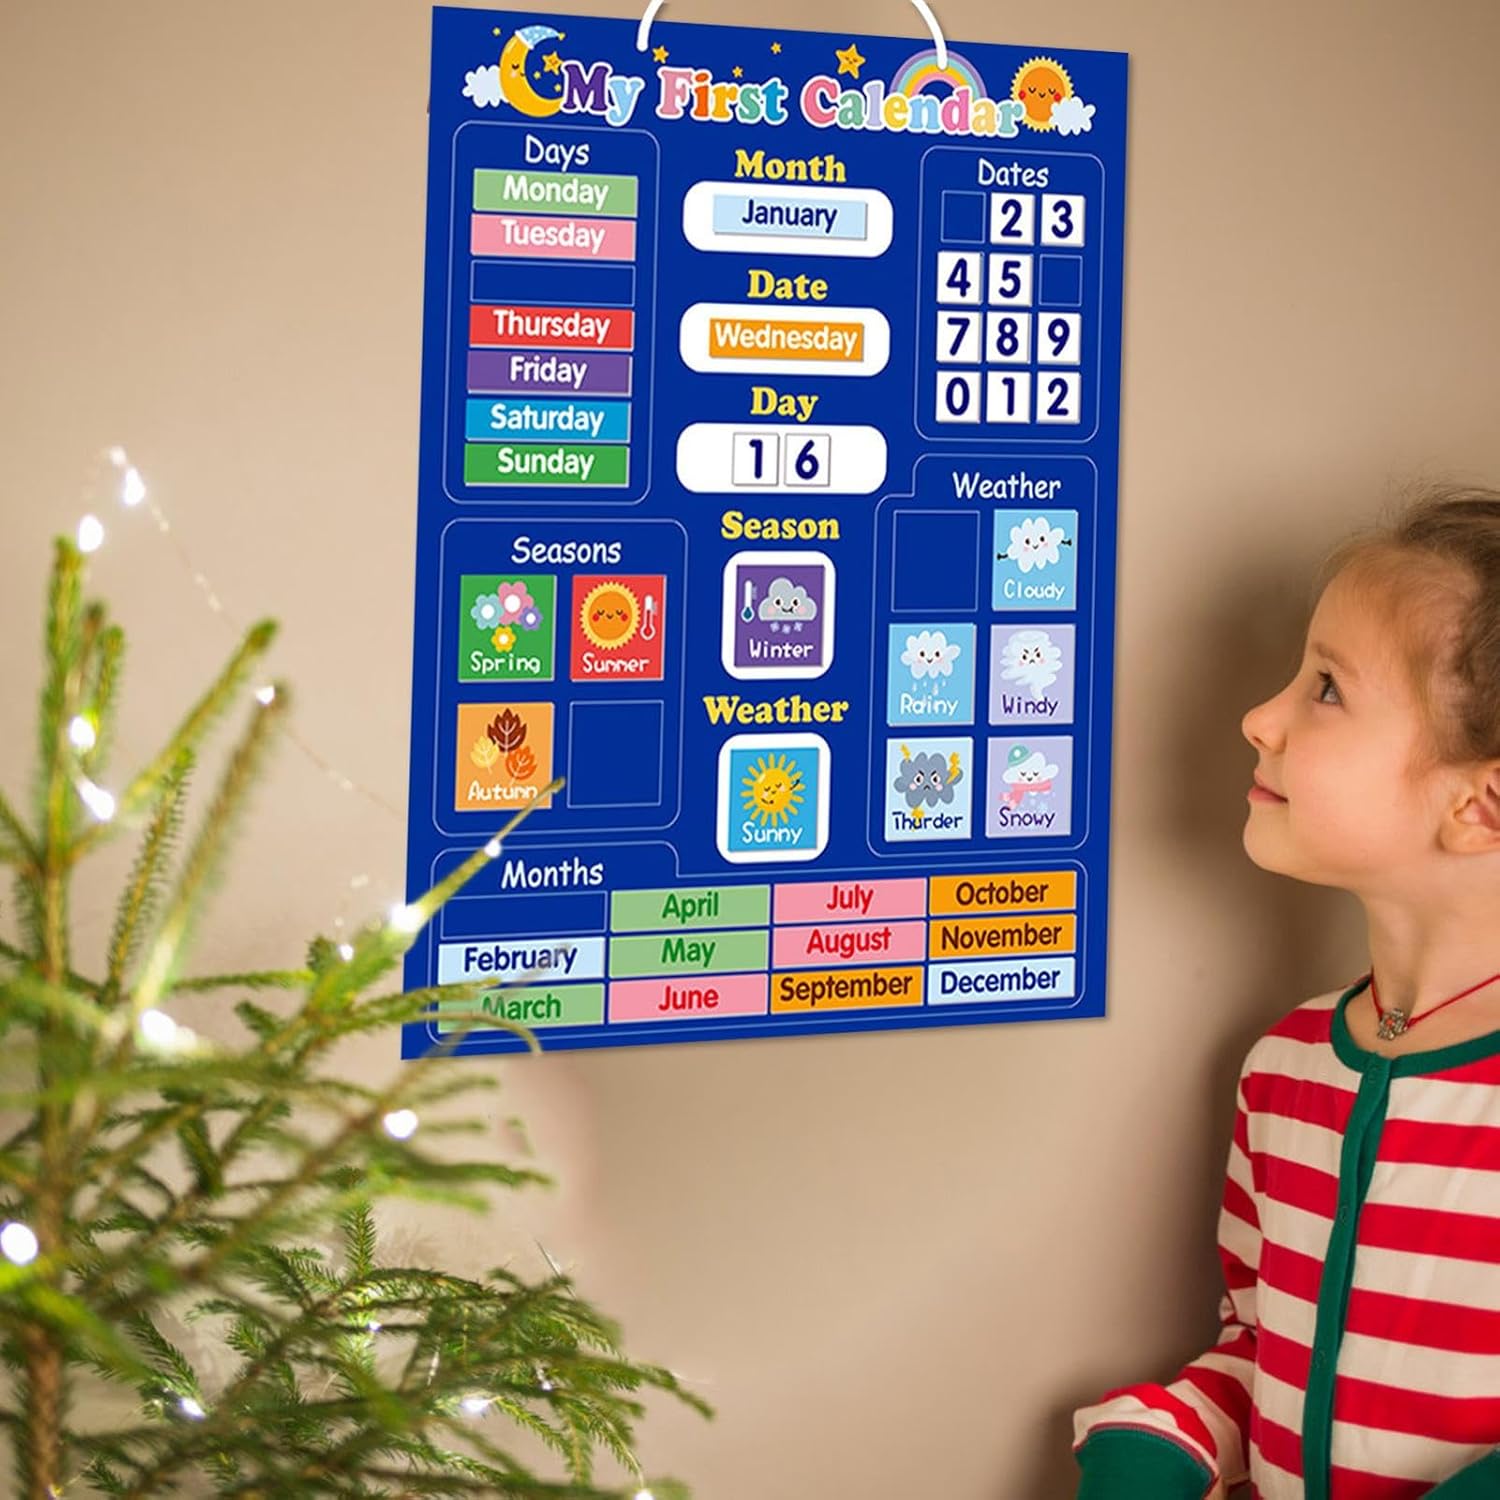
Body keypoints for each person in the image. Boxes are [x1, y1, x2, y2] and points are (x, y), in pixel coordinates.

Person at [1072, 487, 1500, 1499]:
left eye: (1327, 689)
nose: (1259, 718)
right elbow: (1265, 1352)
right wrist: (1149, 1449)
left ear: (1480, 804)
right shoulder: (1288, 1068)